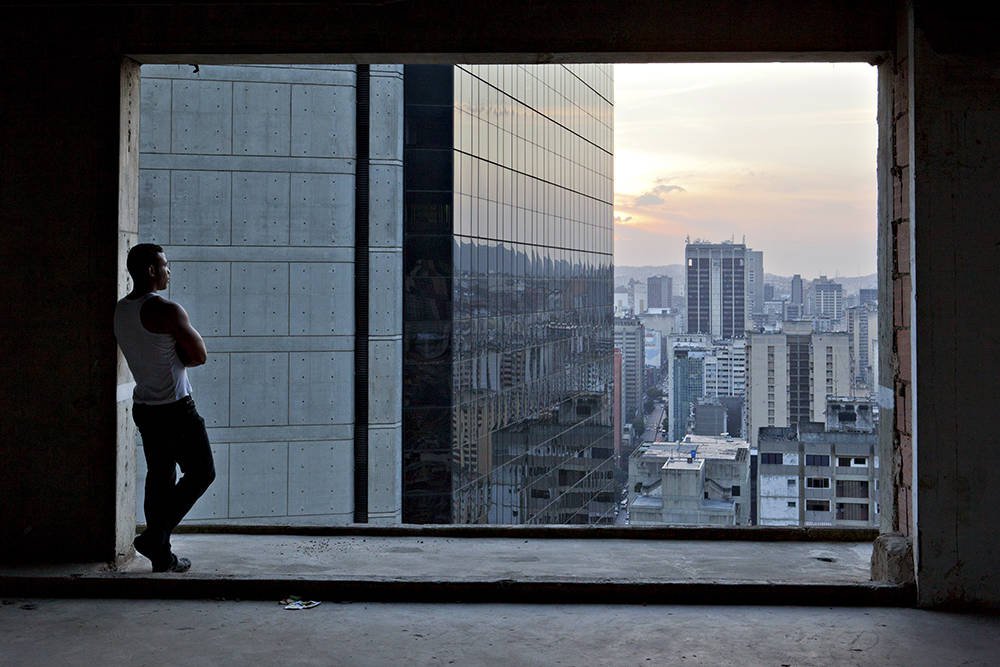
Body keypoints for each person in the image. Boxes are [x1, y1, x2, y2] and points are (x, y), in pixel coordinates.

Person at [114, 243, 215, 573]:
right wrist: (181, 353)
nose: (169, 271)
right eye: (165, 265)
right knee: (202, 472)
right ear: (150, 271)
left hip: (145, 406)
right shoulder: (167, 310)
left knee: (160, 477)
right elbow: (199, 355)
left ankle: (162, 556)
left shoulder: (121, 310)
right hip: (175, 408)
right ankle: (156, 536)